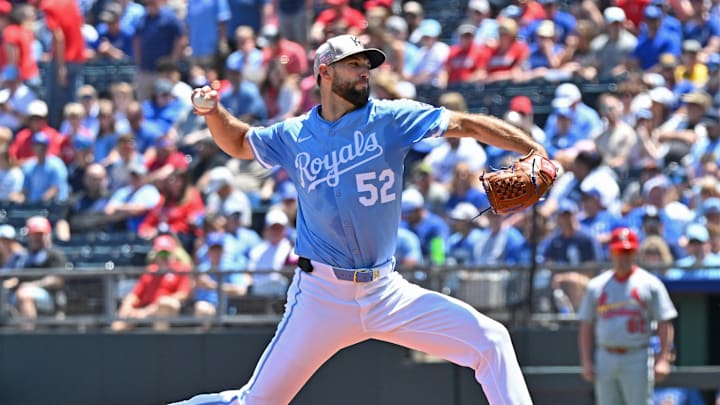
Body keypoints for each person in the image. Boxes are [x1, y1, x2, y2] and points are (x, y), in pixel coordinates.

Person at [172, 34, 546, 405]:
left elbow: (467, 125)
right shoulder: (295, 134)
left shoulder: (392, 118)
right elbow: (238, 142)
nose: (364, 71)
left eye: (367, 65)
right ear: (325, 73)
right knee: (256, 403)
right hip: (321, 297)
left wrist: (533, 149)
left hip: (386, 292)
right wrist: (212, 113)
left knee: (492, 341)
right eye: (354, 64)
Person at [577, 227, 677, 405]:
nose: (623, 256)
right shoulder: (597, 286)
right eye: (619, 251)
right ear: (611, 253)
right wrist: (586, 360)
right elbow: (586, 325)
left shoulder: (650, 284)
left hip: (636, 355)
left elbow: (665, 322)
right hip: (605, 354)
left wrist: (663, 358)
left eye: (627, 251)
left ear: (635, 253)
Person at [111, 234, 192, 331]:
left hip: (171, 311)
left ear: (173, 253)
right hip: (146, 309)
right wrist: (127, 306)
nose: (164, 257)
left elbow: (183, 294)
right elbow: (135, 294)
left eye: (167, 253)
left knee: (165, 304)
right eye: (161, 254)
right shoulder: (150, 271)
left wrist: (147, 311)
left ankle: (160, 344)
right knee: (122, 316)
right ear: (156, 254)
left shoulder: (181, 269)